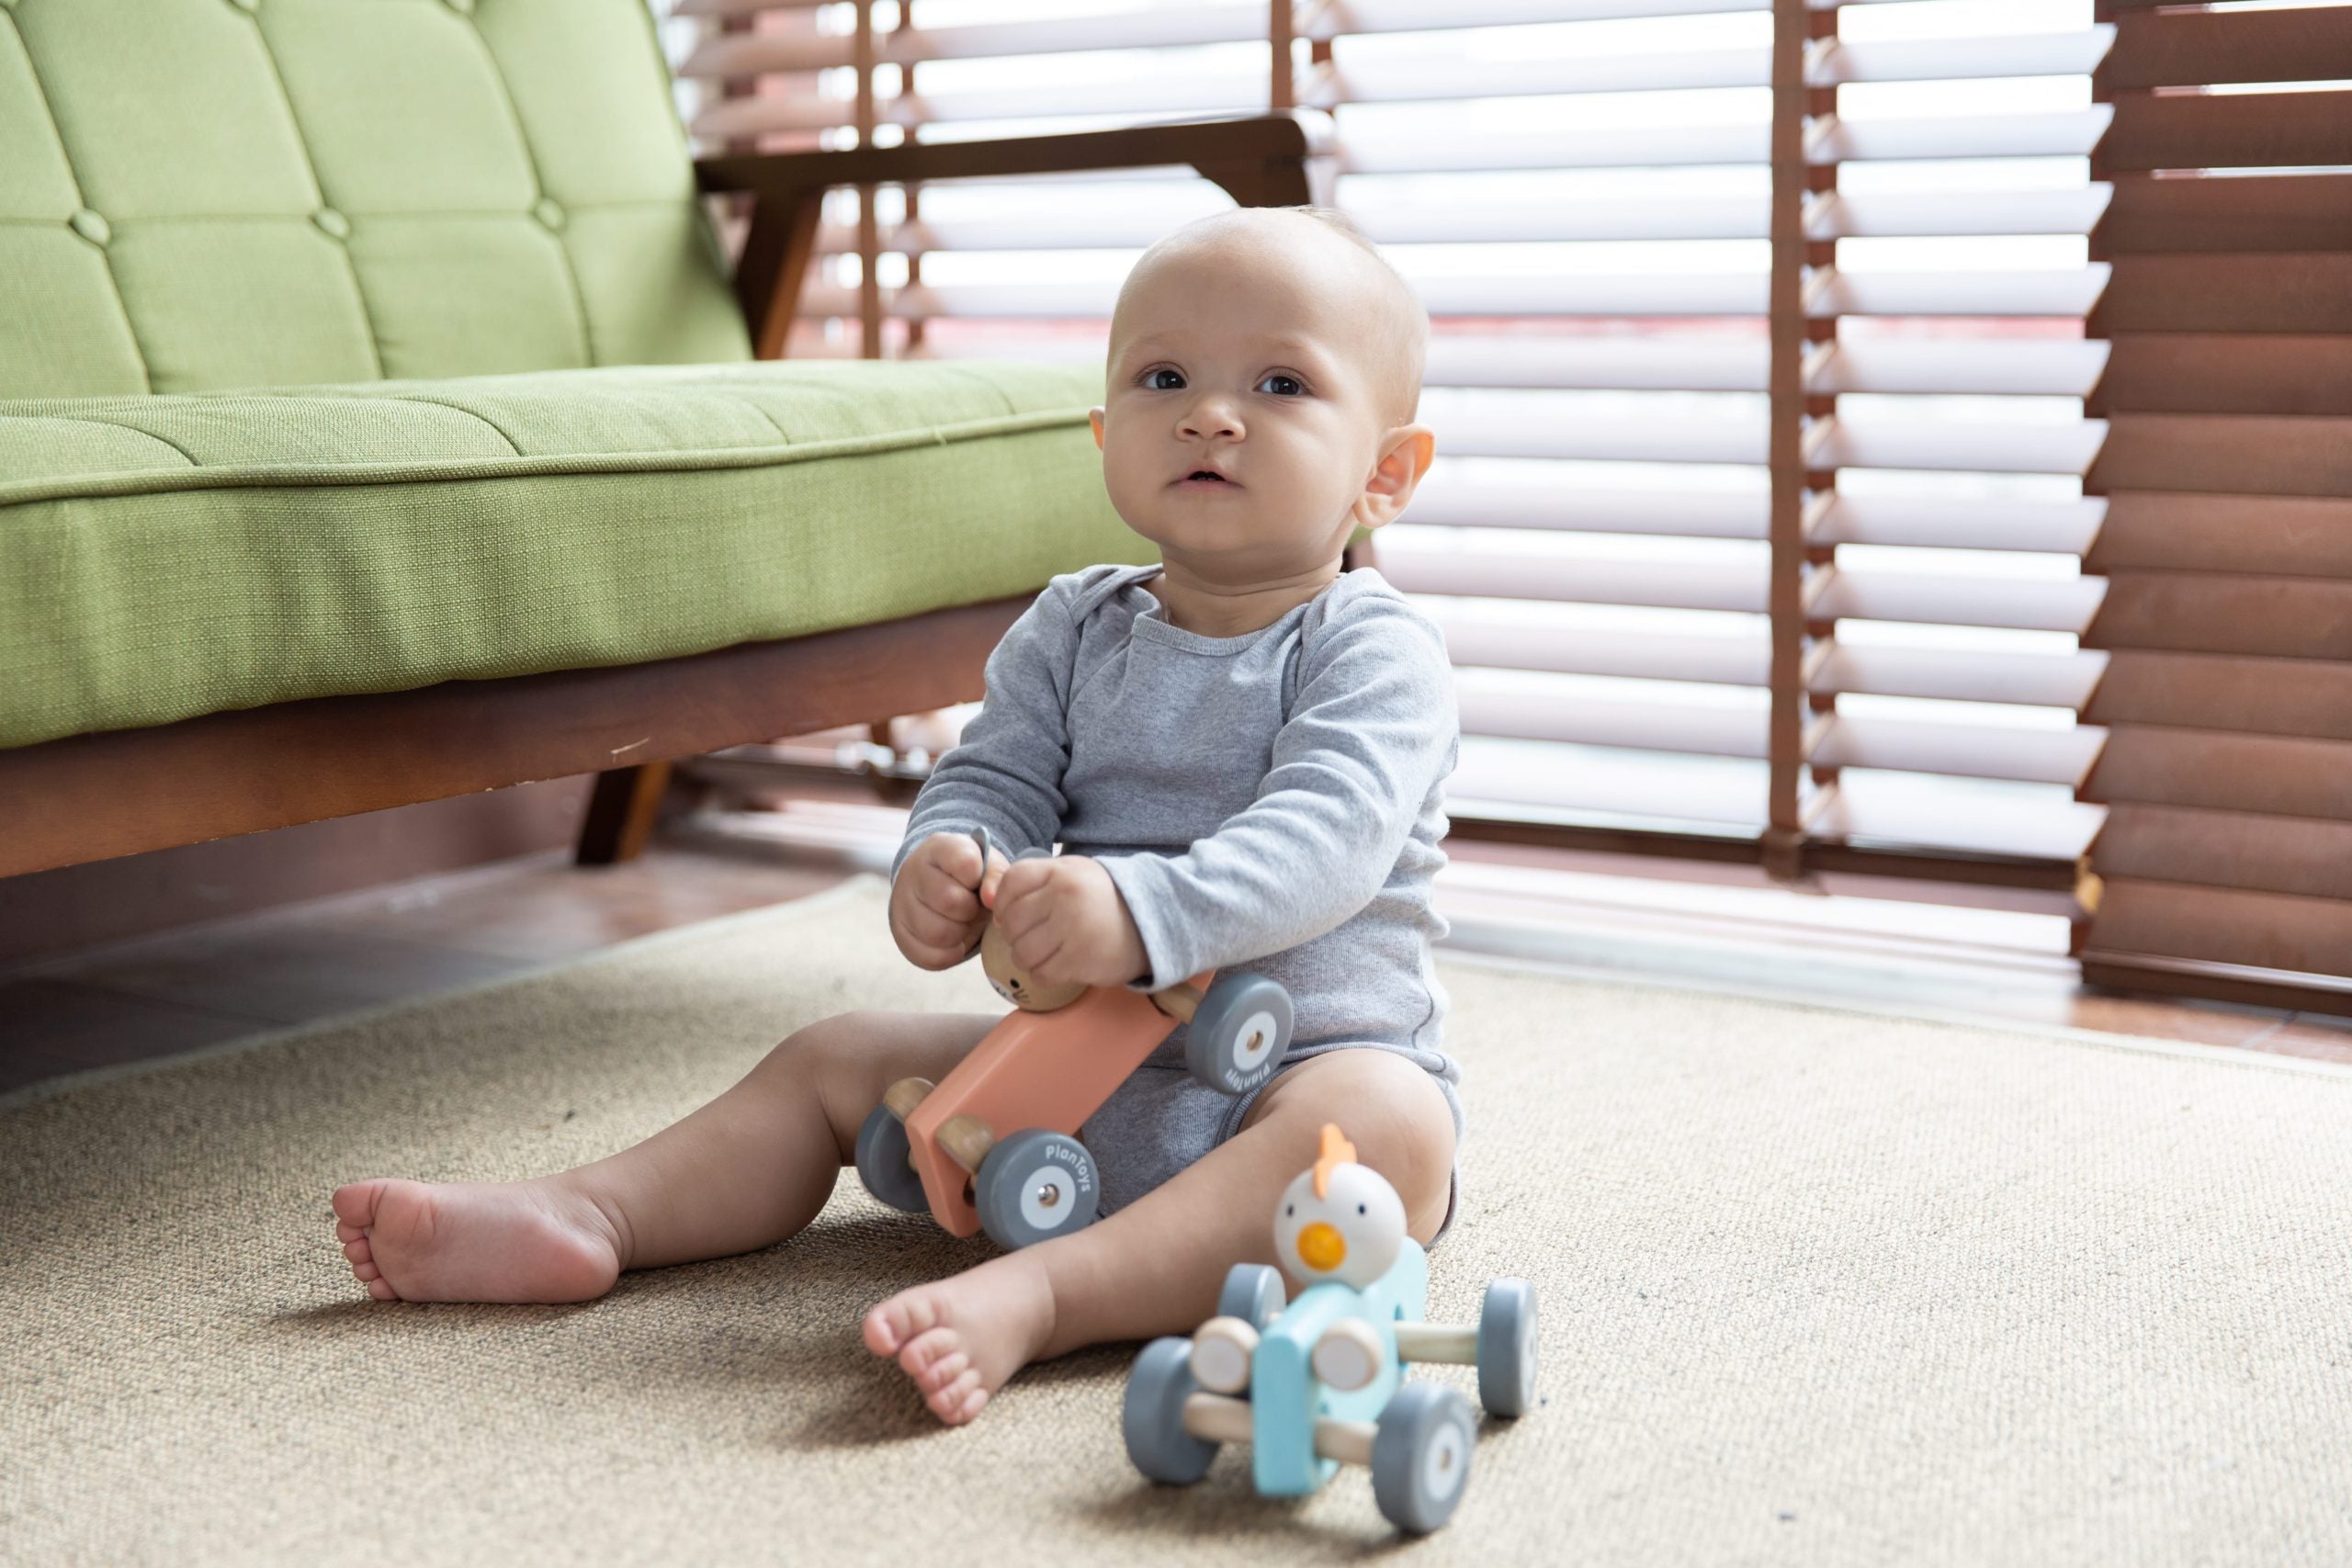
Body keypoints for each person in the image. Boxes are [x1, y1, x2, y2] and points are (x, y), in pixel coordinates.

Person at [330, 207, 1463, 1427]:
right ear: (1103, 437)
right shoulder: (1074, 624)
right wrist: (951, 862)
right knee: (830, 1060)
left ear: (1384, 475)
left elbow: (1327, 840)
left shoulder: (1371, 647)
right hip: (1079, 1081)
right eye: (1163, 377)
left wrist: (1143, 912)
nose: (1207, 413)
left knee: (1388, 1133)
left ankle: (1047, 1297)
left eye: (1282, 383)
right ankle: (594, 1211)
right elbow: (997, 779)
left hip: (1288, 1080)